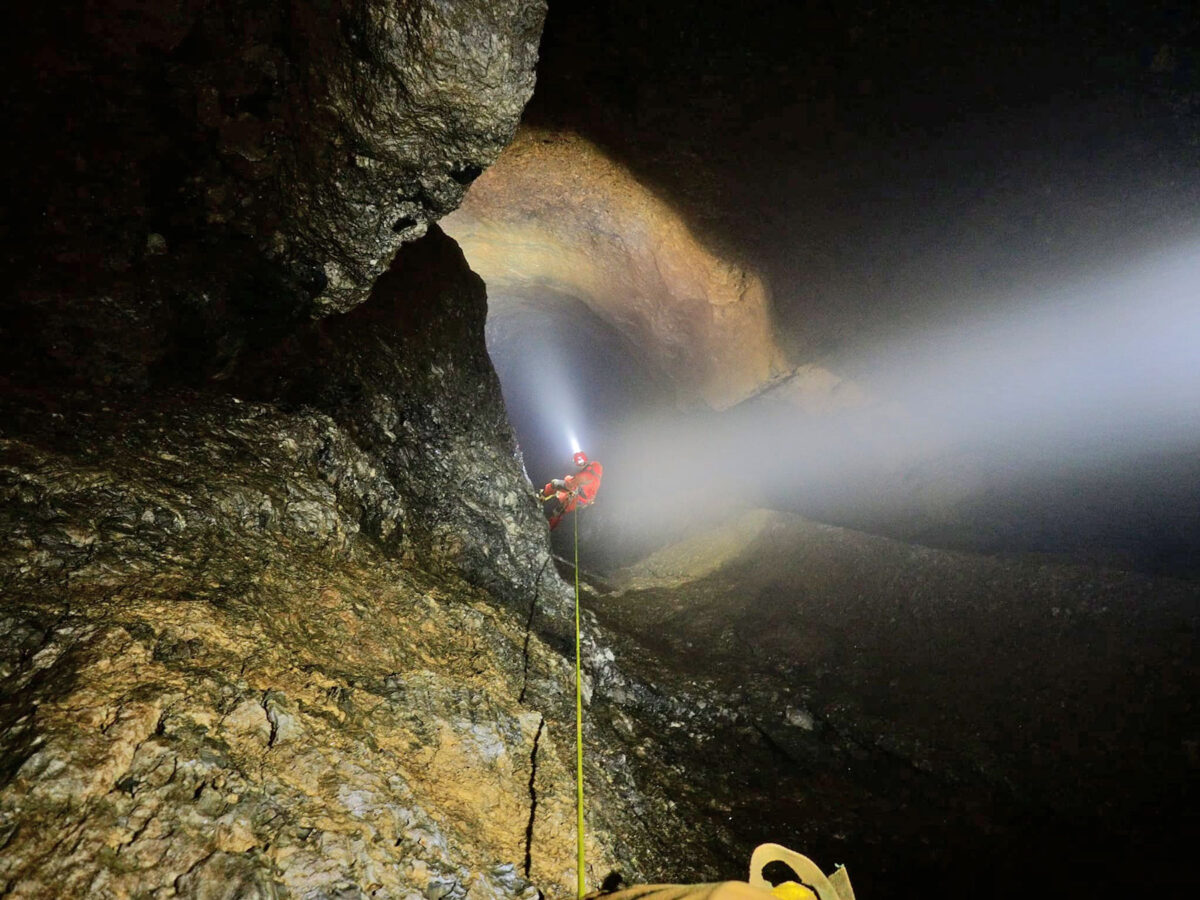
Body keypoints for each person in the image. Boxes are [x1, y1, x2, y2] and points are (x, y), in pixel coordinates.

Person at [540, 450, 603, 529]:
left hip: (576, 496)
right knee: (560, 510)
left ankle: (542, 496)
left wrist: (568, 477)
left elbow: (569, 484)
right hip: (586, 499)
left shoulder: (582, 476)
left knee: (554, 484)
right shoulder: (597, 466)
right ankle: (548, 528)